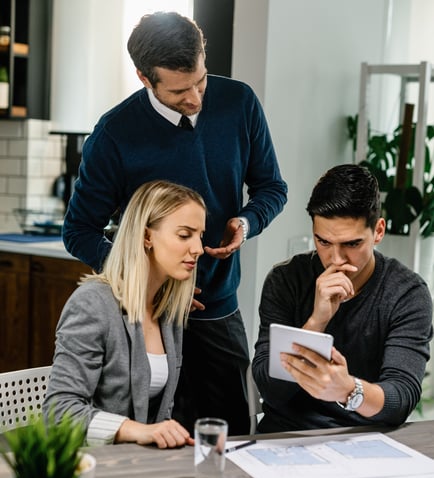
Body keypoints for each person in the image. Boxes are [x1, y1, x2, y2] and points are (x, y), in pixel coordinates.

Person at [62, 11, 287, 435]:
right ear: (145, 79)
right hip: (150, 319)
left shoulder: (239, 102)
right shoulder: (114, 135)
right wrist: (147, 277)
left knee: (234, 437)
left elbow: (272, 188)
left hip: (218, 310)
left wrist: (246, 221)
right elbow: (78, 232)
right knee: (158, 437)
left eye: (201, 80)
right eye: (181, 90)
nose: (197, 98)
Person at [252, 164, 433, 432]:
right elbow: (270, 389)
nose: (336, 259)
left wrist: (349, 389)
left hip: (367, 439)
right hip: (286, 434)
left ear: (378, 231)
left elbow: (401, 399)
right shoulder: (286, 280)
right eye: (323, 242)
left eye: (352, 244)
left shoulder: (407, 293)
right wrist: (316, 322)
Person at [43, 180, 206, 447]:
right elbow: (59, 413)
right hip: (91, 466)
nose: (198, 248)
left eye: (200, 235)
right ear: (146, 236)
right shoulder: (92, 305)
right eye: (185, 235)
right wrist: (137, 431)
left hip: (139, 467)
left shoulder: (168, 310)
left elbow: (161, 414)